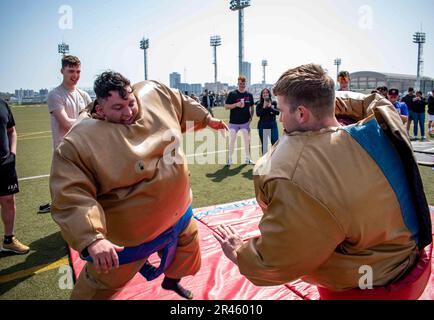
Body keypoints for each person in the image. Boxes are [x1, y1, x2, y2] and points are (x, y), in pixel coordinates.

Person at [214, 64, 432, 300]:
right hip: (413, 258)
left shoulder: (300, 172)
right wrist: (323, 99)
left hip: (371, 287)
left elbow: (277, 261)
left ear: (300, 114)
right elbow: (369, 101)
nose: (280, 117)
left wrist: (239, 252)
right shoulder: (384, 118)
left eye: (282, 111)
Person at [50, 71, 228, 300]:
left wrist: (205, 118)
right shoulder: (79, 142)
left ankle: (172, 281)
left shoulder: (153, 95)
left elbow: (179, 103)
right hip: (127, 241)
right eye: (117, 108)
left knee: (188, 254)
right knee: (100, 286)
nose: (128, 112)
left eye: (130, 103)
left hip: (179, 216)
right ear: (100, 108)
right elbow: (71, 194)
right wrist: (92, 238)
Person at [39, 55, 92, 214]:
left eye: (78, 71)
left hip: (84, 150)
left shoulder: (84, 95)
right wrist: (88, 122)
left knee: (85, 190)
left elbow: (94, 119)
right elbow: (66, 123)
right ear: (62, 71)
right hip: (65, 151)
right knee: (66, 192)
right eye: (71, 71)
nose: (75, 75)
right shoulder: (55, 95)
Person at [0, 98, 29, 254]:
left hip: (5, 163)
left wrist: (12, 154)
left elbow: (11, 131)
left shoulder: (3, 104)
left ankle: (9, 240)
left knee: (8, 201)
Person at [224, 75, 255, 165]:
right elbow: (226, 106)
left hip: (245, 122)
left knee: (247, 141)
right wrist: (236, 105)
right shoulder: (232, 94)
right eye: (240, 83)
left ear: (246, 84)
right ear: (238, 83)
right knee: (232, 140)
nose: (242, 85)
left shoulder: (249, 95)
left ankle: (248, 159)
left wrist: (251, 118)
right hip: (234, 122)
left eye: (243, 83)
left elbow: (252, 108)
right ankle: (229, 159)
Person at [256, 88, 280, 154]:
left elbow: (277, 112)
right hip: (262, 125)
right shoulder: (259, 104)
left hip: (273, 125)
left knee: (275, 143)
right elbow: (258, 114)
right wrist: (263, 107)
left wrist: (270, 108)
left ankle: (275, 160)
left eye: (267, 92)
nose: (265, 94)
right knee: (264, 145)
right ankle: (265, 161)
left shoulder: (274, 102)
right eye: (263, 93)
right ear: (261, 95)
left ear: (269, 94)